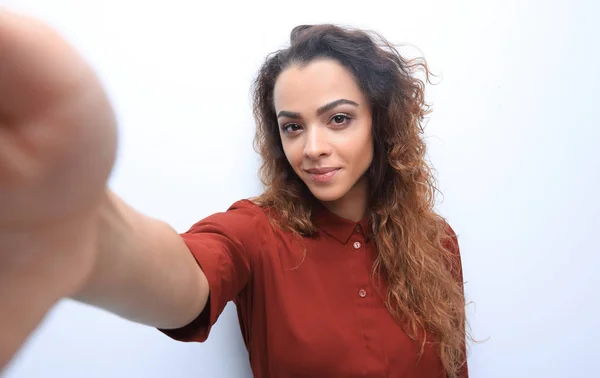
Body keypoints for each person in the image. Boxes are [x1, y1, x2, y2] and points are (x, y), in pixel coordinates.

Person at [0, 10, 470, 378]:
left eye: (338, 119)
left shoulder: (437, 242)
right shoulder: (258, 233)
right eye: (292, 127)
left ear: (380, 121)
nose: (312, 149)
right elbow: (186, 276)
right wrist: (90, 237)